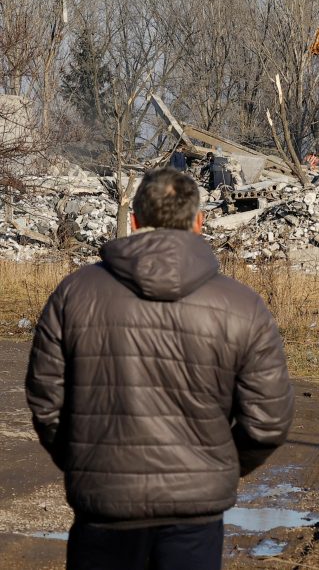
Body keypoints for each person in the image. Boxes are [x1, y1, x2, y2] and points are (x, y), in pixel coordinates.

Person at [26, 168, 295, 570]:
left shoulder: (74, 293)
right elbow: (268, 420)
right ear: (198, 222)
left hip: (104, 507)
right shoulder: (243, 305)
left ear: (133, 221)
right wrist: (214, 466)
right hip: (194, 516)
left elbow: (46, 401)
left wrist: (88, 459)